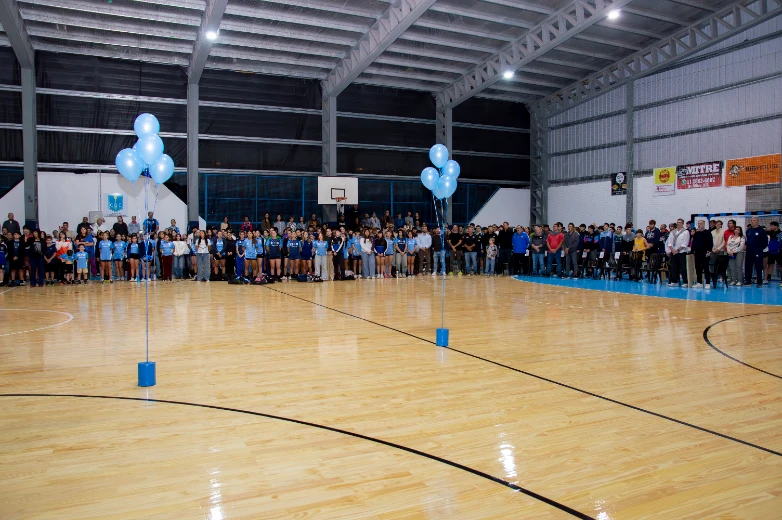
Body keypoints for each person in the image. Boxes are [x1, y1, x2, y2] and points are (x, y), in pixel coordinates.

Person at [744, 216, 768, 287]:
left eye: (754, 220)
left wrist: (760, 249)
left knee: (758, 267)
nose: (752, 222)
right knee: (748, 267)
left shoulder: (761, 231)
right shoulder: (748, 230)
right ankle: (748, 281)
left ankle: (759, 282)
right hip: (749, 252)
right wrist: (746, 245)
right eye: (751, 220)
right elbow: (747, 240)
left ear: (757, 221)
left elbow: (765, 242)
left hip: (757, 252)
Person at [666, 219, 690, 287]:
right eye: (677, 222)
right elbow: (669, 242)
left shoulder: (685, 232)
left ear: (682, 224)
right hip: (673, 252)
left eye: (679, 222)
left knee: (683, 267)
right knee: (674, 267)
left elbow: (685, 243)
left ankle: (685, 282)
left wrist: (678, 250)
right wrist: (672, 250)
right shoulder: (673, 232)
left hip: (682, 252)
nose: (678, 224)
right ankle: (675, 281)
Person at [691, 219, 713, 288]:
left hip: (705, 254)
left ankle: (708, 283)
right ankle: (699, 282)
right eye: (698, 224)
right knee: (698, 268)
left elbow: (710, 243)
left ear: (704, 224)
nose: (699, 225)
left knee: (706, 268)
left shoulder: (708, 233)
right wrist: (692, 251)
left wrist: (709, 251)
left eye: (700, 223)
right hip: (697, 254)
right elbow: (693, 243)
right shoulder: (696, 234)